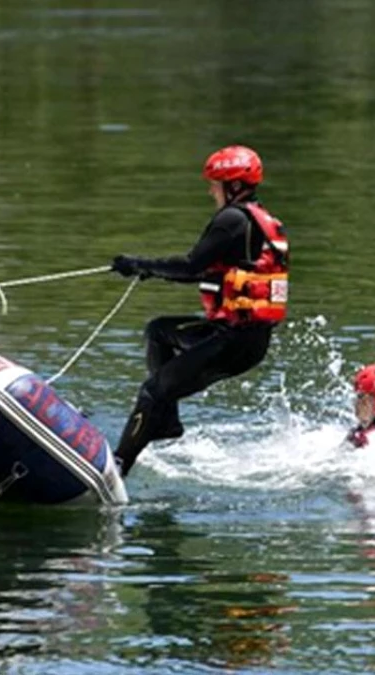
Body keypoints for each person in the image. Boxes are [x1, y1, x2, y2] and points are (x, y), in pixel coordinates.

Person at [109, 145, 288, 477]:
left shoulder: (233, 220)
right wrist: (150, 270)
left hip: (234, 342)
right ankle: (167, 422)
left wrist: (137, 264)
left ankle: (117, 466)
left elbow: (191, 266)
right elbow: (206, 272)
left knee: (152, 392)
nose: (210, 191)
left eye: (215, 184)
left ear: (233, 186)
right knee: (159, 331)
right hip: (242, 337)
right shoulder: (253, 222)